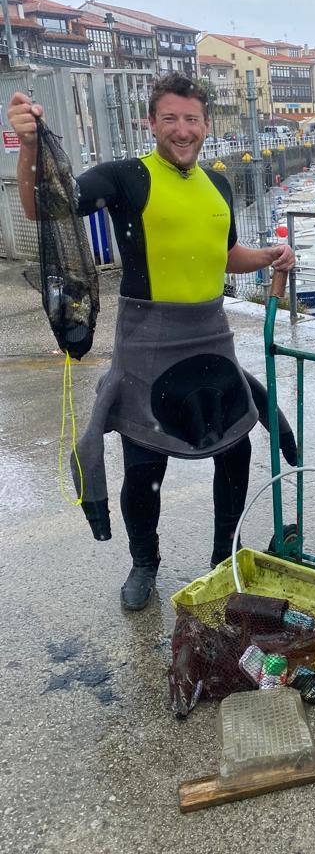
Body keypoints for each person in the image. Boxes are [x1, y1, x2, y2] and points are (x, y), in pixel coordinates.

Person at [8, 74, 295, 612]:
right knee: (144, 466)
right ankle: (145, 563)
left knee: (236, 450)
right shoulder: (124, 178)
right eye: (170, 119)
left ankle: (220, 561)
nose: (182, 130)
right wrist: (28, 147)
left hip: (211, 337)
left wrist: (268, 257)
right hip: (148, 343)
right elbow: (45, 209)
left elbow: (224, 253)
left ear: (206, 125)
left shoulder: (219, 185)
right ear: (151, 122)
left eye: (191, 119)